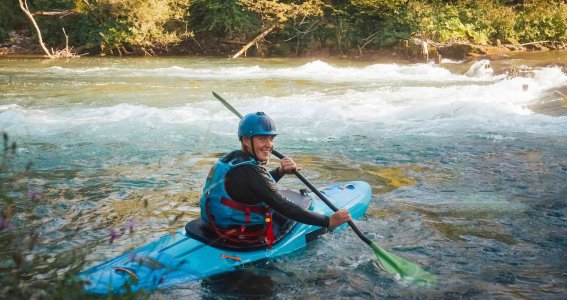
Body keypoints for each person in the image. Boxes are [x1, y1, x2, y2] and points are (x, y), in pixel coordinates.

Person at [199, 112, 351, 247]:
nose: (269, 145)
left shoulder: (231, 159)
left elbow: (253, 187)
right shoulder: (252, 172)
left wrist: (280, 171)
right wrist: (329, 221)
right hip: (240, 236)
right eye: (262, 138)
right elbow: (284, 206)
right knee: (303, 204)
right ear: (245, 140)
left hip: (215, 226)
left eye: (271, 138)